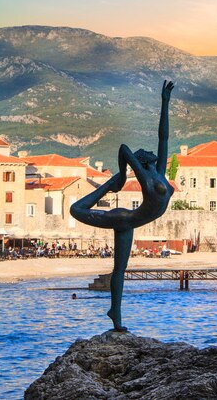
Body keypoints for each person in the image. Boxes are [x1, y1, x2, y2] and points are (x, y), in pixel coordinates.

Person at [70, 80, 174, 332]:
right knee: (75, 210)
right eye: (147, 151)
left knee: (120, 269)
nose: (153, 150)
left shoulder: (158, 172)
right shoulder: (146, 178)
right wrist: (122, 175)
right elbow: (124, 148)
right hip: (122, 218)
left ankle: (115, 314)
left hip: (130, 221)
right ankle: (106, 186)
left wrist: (164, 102)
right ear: (143, 160)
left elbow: (163, 136)